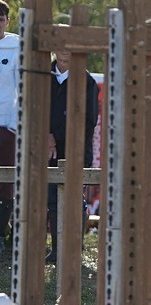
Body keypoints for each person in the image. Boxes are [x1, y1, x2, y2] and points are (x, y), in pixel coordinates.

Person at [47, 48, 100, 264]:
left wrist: (55, 137)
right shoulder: (42, 76)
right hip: (45, 148)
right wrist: (46, 137)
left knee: (73, 200)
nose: (65, 51)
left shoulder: (86, 81)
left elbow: (88, 119)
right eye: (60, 46)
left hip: (75, 150)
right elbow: (32, 109)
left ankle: (74, 248)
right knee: (51, 200)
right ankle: (57, 250)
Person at [0, 0, 18, 254]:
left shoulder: (17, 46)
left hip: (7, 126)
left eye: (0, 18)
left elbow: (22, 87)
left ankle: (2, 237)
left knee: (5, 183)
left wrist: (15, 125)